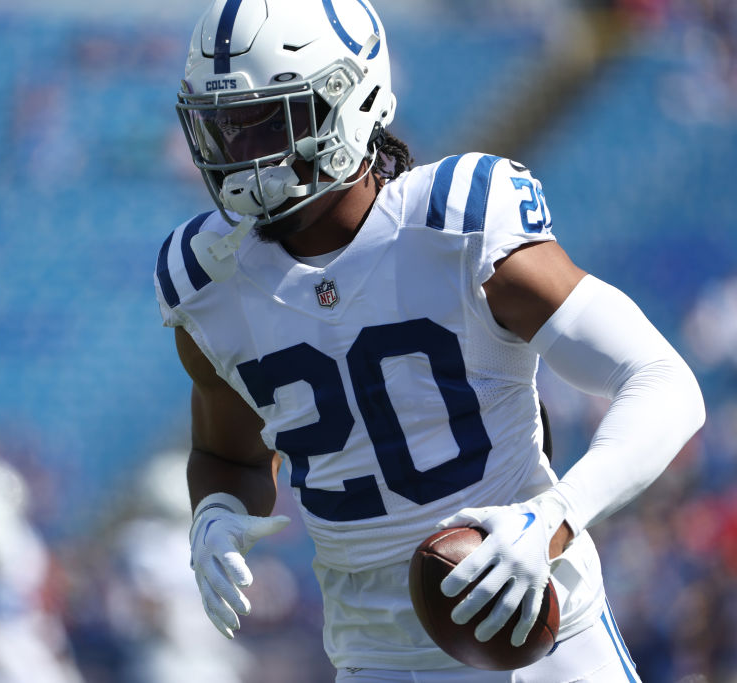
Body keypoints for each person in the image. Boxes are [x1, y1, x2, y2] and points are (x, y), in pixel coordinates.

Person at [152, 0, 706, 680]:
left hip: (540, 632)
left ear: (348, 102)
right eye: (224, 128)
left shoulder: (458, 226)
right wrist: (215, 512)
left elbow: (663, 382)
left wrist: (554, 517)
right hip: (373, 656)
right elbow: (227, 455)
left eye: (267, 121)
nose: (242, 156)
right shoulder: (209, 279)